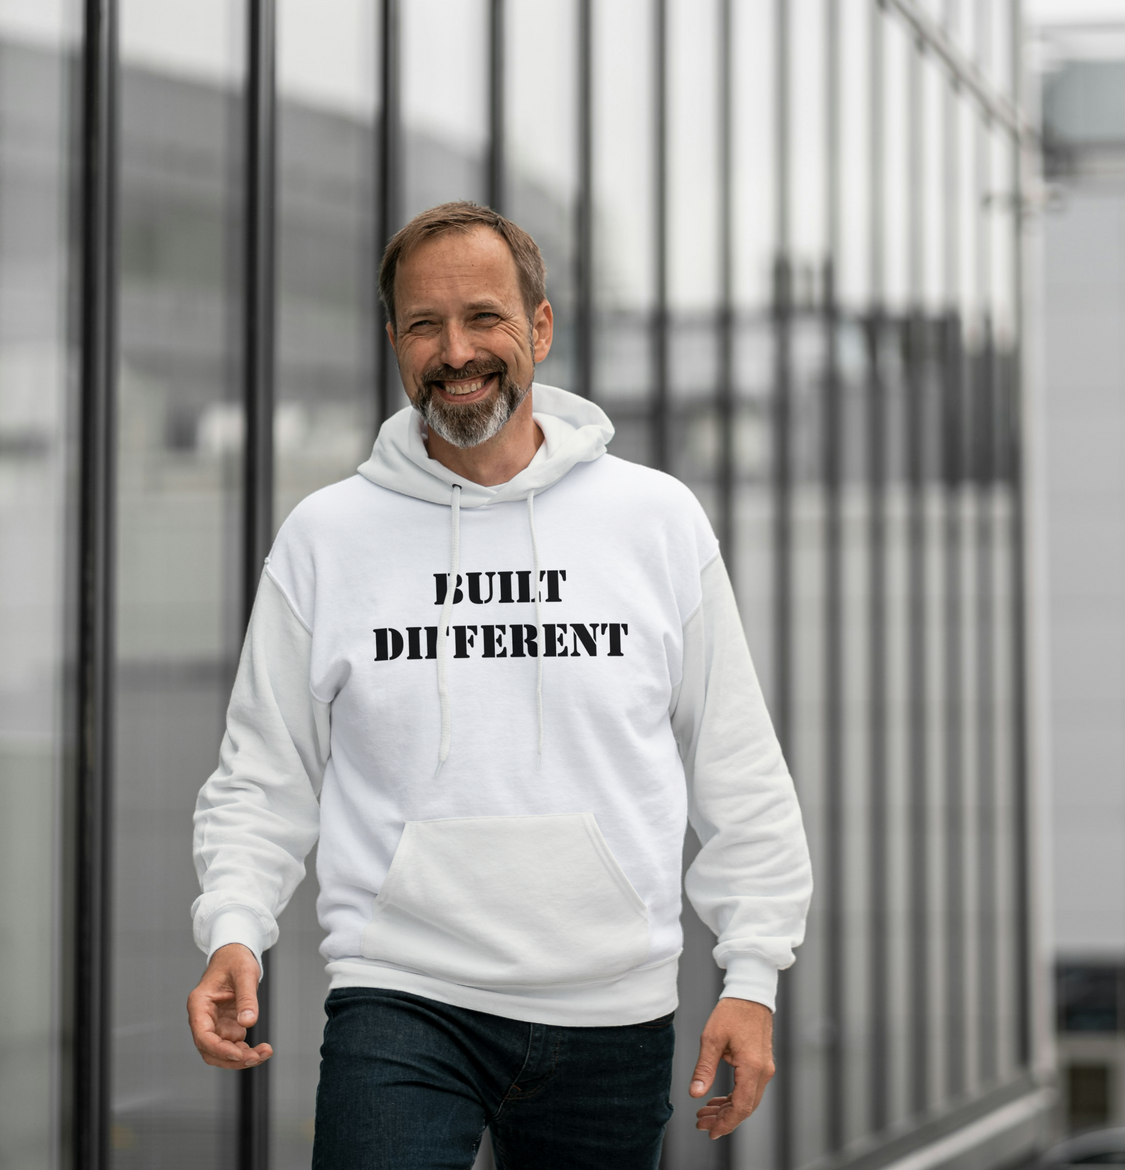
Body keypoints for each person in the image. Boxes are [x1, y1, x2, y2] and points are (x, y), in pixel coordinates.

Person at [185, 201, 812, 1168]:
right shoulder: (327, 537)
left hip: (612, 1008)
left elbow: (736, 761)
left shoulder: (655, 521)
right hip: (400, 990)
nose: (456, 349)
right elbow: (264, 768)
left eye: (484, 316)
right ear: (394, 341)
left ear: (541, 327)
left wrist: (754, 970)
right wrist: (234, 923)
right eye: (425, 324)